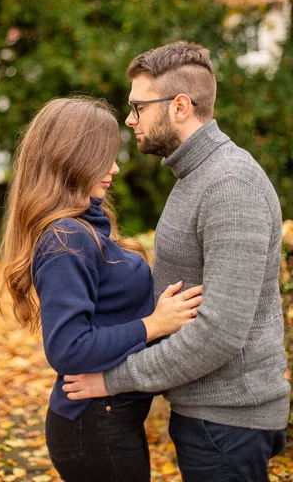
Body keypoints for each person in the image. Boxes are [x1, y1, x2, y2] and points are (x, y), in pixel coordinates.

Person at [63, 42, 291, 482]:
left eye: (138, 107)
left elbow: (219, 332)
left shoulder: (229, 185)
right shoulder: (198, 175)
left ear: (180, 106)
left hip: (228, 421)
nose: (130, 120)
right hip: (212, 417)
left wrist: (113, 379)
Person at [0, 96, 203, 482]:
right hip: (93, 427)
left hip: (108, 420)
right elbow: (68, 348)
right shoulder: (67, 238)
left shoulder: (84, 224)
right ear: (73, 158)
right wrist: (154, 325)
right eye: (104, 156)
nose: (115, 167)